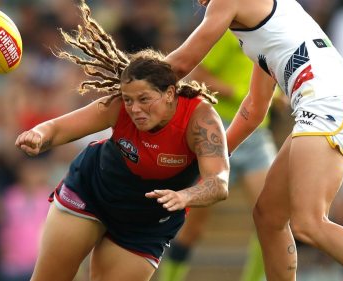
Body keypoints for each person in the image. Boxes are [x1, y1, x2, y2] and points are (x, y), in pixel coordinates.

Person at [164, 0, 343, 280]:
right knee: (268, 217)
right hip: (330, 104)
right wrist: (214, 159)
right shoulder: (265, 27)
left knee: (309, 223)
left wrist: (132, 78)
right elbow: (254, 109)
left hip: (329, 104)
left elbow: (181, 63)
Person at [15, 4, 230, 281]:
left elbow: (219, 183)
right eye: (129, 100)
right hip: (92, 193)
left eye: (144, 99)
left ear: (169, 93)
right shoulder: (119, 106)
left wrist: (185, 196)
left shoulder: (200, 120)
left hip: (146, 224)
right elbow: (58, 128)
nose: (135, 109)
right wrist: (38, 135)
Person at [159, 30, 276, 281]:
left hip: (258, 136)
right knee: (193, 229)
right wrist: (239, 94)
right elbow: (198, 74)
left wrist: (275, 97)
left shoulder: (272, 33)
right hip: (221, 132)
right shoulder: (228, 33)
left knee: (273, 220)